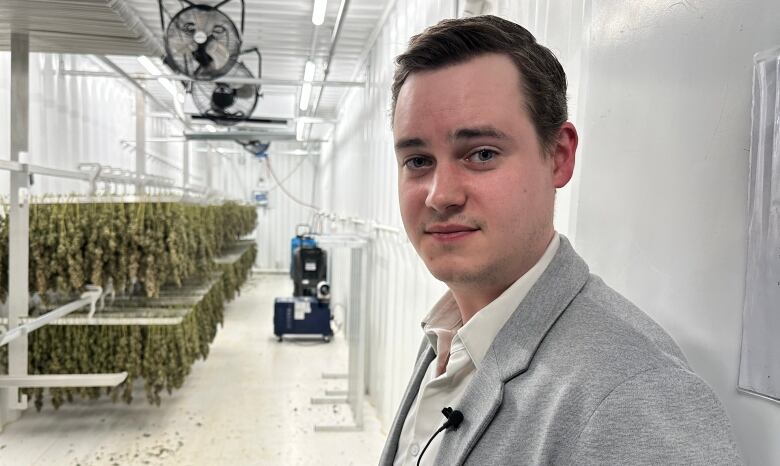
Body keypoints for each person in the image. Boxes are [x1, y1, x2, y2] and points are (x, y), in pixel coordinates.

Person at [379, 15, 742, 466]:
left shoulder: (635, 397)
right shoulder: (449, 333)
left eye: (482, 154)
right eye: (417, 160)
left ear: (559, 157)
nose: (440, 195)